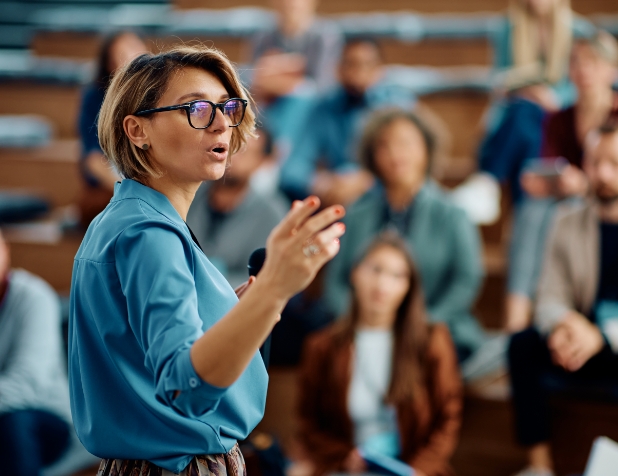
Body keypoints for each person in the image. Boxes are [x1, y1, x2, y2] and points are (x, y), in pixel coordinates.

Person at [69, 45, 346, 475]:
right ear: (137, 130)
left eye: (227, 107)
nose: (221, 123)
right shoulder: (149, 234)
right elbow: (187, 388)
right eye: (197, 108)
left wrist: (238, 311)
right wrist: (273, 290)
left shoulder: (127, 218)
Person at [326, 108, 489, 370]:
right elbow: (335, 283)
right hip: (361, 331)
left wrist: (419, 324)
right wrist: (362, 323)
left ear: (426, 149)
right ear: (372, 156)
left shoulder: (453, 214)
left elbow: (466, 281)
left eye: (404, 143)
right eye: (383, 145)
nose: (394, 153)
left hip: (433, 328)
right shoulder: (356, 215)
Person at [298, 233, 462, 476]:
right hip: (347, 469)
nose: (383, 284)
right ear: (355, 273)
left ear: (408, 286)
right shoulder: (323, 346)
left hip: (413, 470)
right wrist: (344, 457)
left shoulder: (431, 341)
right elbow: (307, 423)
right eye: (375, 269)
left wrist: (418, 470)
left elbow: (447, 419)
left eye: (397, 276)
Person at [508, 122, 618, 476]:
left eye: (614, 164)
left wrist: (600, 336)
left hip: (610, 343)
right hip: (576, 344)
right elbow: (549, 295)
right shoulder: (566, 218)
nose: (603, 174)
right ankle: (539, 467)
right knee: (522, 345)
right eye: (595, 162)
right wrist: (561, 325)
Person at [506, 31, 618, 331]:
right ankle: (517, 315)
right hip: (570, 200)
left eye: (591, 62)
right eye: (576, 63)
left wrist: (586, 183)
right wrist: (544, 180)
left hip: (607, 201)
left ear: (612, 68)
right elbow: (550, 166)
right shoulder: (559, 119)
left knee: (556, 213)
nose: (582, 70)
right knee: (534, 209)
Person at [454, 0, 593, 224]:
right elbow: (499, 80)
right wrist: (526, 90)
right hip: (521, 113)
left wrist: (551, 97)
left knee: (526, 122)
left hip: (559, 118)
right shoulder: (508, 28)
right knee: (527, 122)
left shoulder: (578, 31)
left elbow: (583, 85)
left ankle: (489, 181)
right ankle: (524, 212)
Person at [279, 37, 416, 205]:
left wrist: (365, 180)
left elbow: (409, 164)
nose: (357, 73)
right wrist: (319, 183)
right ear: (337, 69)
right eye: (350, 64)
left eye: (367, 65)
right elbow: (293, 169)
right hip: (335, 198)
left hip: (384, 199)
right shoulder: (324, 109)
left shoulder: (396, 107)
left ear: (380, 70)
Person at [0, 231, 72, 475]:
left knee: (12, 422)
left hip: (44, 415)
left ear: (6, 250)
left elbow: (28, 383)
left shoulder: (35, 297)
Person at [186, 126, 288, 288]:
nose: (233, 156)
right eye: (230, 146)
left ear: (262, 161)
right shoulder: (189, 192)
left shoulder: (271, 212)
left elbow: (260, 278)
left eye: (245, 152)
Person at [77, 31, 148, 227]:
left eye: (137, 49)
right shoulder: (95, 98)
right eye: (124, 54)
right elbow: (93, 161)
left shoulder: (156, 94)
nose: (135, 58)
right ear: (110, 66)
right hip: (112, 187)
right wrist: (130, 190)